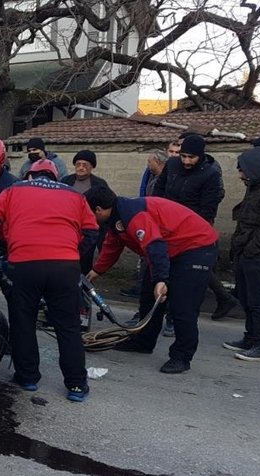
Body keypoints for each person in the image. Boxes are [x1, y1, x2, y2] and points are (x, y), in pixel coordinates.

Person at [0, 159, 99, 402]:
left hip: (24, 263)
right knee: (68, 325)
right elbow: (92, 231)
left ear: (29, 175)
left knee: (23, 320)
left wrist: (4, 246)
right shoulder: (74, 194)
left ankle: (27, 377)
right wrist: (74, 252)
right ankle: (77, 385)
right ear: (56, 177)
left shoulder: (15, 190)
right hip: (65, 266)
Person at [84, 187, 219, 374]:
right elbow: (113, 246)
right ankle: (144, 342)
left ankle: (182, 356)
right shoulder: (116, 217)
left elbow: (155, 245)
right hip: (168, 249)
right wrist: (96, 271)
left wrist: (161, 280)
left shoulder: (134, 215)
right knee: (148, 296)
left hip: (196, 246)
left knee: (182, 305)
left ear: (98, 210)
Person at [152, 134, 238, 322]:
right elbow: (159, 189)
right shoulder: (172, 166)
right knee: (162, 267)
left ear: (200, 155)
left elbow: (208, 209)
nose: (186, 161)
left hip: (190, 230)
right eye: (183, 156)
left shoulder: (210, 174)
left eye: (191, 157)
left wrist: (192, 230)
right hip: (166, 224)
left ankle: (173, 317)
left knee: (184, 272)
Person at [223, 147, 260, 362]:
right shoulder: (255, 187)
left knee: (258, 300)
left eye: (242, 170)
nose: (240, 175)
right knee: (246, 298)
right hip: (246, 253)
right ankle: (251, 337)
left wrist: (251, 250)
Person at [122, 150, 171, 325]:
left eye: (150, 161)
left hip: (156, 229)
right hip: (149, 225)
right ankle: (143, 314)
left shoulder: (165, 180)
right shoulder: (151, 177)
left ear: (157, 162)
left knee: (154, 271)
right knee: (146, 271)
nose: (147, 165)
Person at [60, 150, 110, 273]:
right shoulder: (65, 181)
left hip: (88, 226)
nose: (81, 168)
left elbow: (105, 203)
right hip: (68, 224)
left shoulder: (99, 184)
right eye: (78, 164)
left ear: (92, 167)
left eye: (85, 165)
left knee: (86, 255)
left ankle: (84, 278)